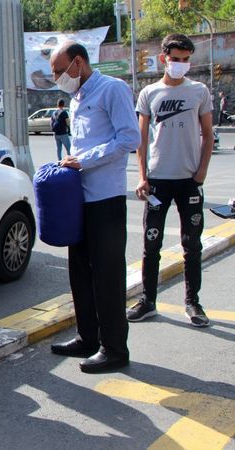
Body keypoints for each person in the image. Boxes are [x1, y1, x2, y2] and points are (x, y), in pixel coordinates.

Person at [47, 42, 140, 374]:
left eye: (60, 71)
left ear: (78, 62)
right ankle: (87, 337)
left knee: (107, 276)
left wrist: (83, 160)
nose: (57, 78)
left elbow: (129, 139)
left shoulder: (112, 89)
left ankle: (114, 348)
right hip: (80, 198)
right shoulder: (77, 98)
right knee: (80, 273)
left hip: (105, 198)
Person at [128, 33, 214, 327]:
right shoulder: (149, 93)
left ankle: (193, 302)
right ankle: (148, 301)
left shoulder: (199, 91)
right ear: (163, 58)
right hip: (158, 181)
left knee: (192, 246)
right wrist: (142, 177)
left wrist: (201, 172)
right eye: (176, 59)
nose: (181, 64)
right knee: (151, 244)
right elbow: (140, 139)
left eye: (186, 60)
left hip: (189, 180)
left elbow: (208, 135)